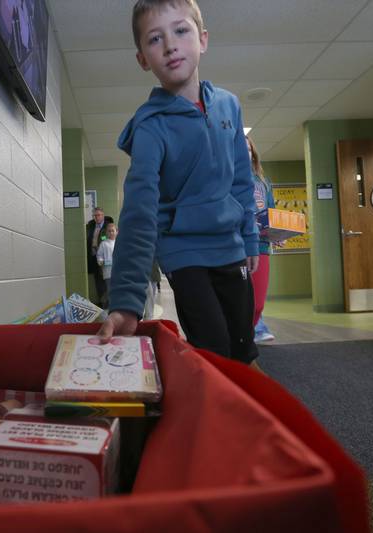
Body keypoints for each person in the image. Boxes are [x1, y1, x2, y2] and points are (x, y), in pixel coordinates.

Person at [97, 0, 260, 365]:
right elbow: (139, 215)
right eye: (155, 38)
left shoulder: (229, 106)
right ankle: (213, 413)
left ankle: (245, 412)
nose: (170, 45)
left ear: (202, 40)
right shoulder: (149, 128)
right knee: (214, 351)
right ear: (143, 59)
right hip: (184, 252)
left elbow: (240, 179)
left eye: (181, 31)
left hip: (231, 246)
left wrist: (249, 237)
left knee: (242, 347)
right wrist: (125, 300)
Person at [247, 136, 278, 343]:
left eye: (249, 149)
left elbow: (271, 213)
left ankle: (250, 332)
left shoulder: (264, 182)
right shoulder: (226, 177)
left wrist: (278, 233)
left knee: (257, 304)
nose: (246, 153)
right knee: (240, 300)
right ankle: (243, 339)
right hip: (236, 247)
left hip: (261, 246)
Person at [86, 207, 114, 306]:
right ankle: (102, 302)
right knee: (97, 281)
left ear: (103, 215)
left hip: (105, 257)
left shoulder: (108, 226)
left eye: (99, 215)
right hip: (93, 257)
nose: (97, 217)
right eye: (95, 215)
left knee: (106, 281)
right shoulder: (90, 226)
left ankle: (108, 302)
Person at [95, 222, 118, 308]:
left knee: (118, 290)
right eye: (109, 231)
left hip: (119, 271)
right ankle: (112, 307)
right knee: (110, 290)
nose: (111, 233)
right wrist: (100, 261)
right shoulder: (104, 244)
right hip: (108, 272)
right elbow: (99, 255)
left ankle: (118, 306)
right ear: (106, 232)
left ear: (117, 232)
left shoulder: (120, 243)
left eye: (113, 231)